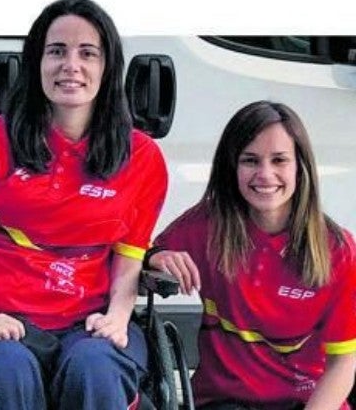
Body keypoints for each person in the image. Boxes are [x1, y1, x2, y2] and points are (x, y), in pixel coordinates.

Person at [0, 0, 169, 408]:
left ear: (107, 67)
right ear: (37, 64)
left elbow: (128, 262)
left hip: (87, 321)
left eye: (88, 53)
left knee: (97, 365)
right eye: (57, 51)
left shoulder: (142, 158)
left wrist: (117, 317)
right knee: (7, 367)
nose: (71, 65)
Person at [150, 101, 356, 409]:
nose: (265, 174)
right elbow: (147, 253)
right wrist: (155, 258)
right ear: (232, 166)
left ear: (301, 166)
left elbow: (343, 365)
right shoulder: (208, 224)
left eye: (279, 160)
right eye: (250, 160)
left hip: (308, 401)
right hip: (225, 400)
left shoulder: (338, 250)